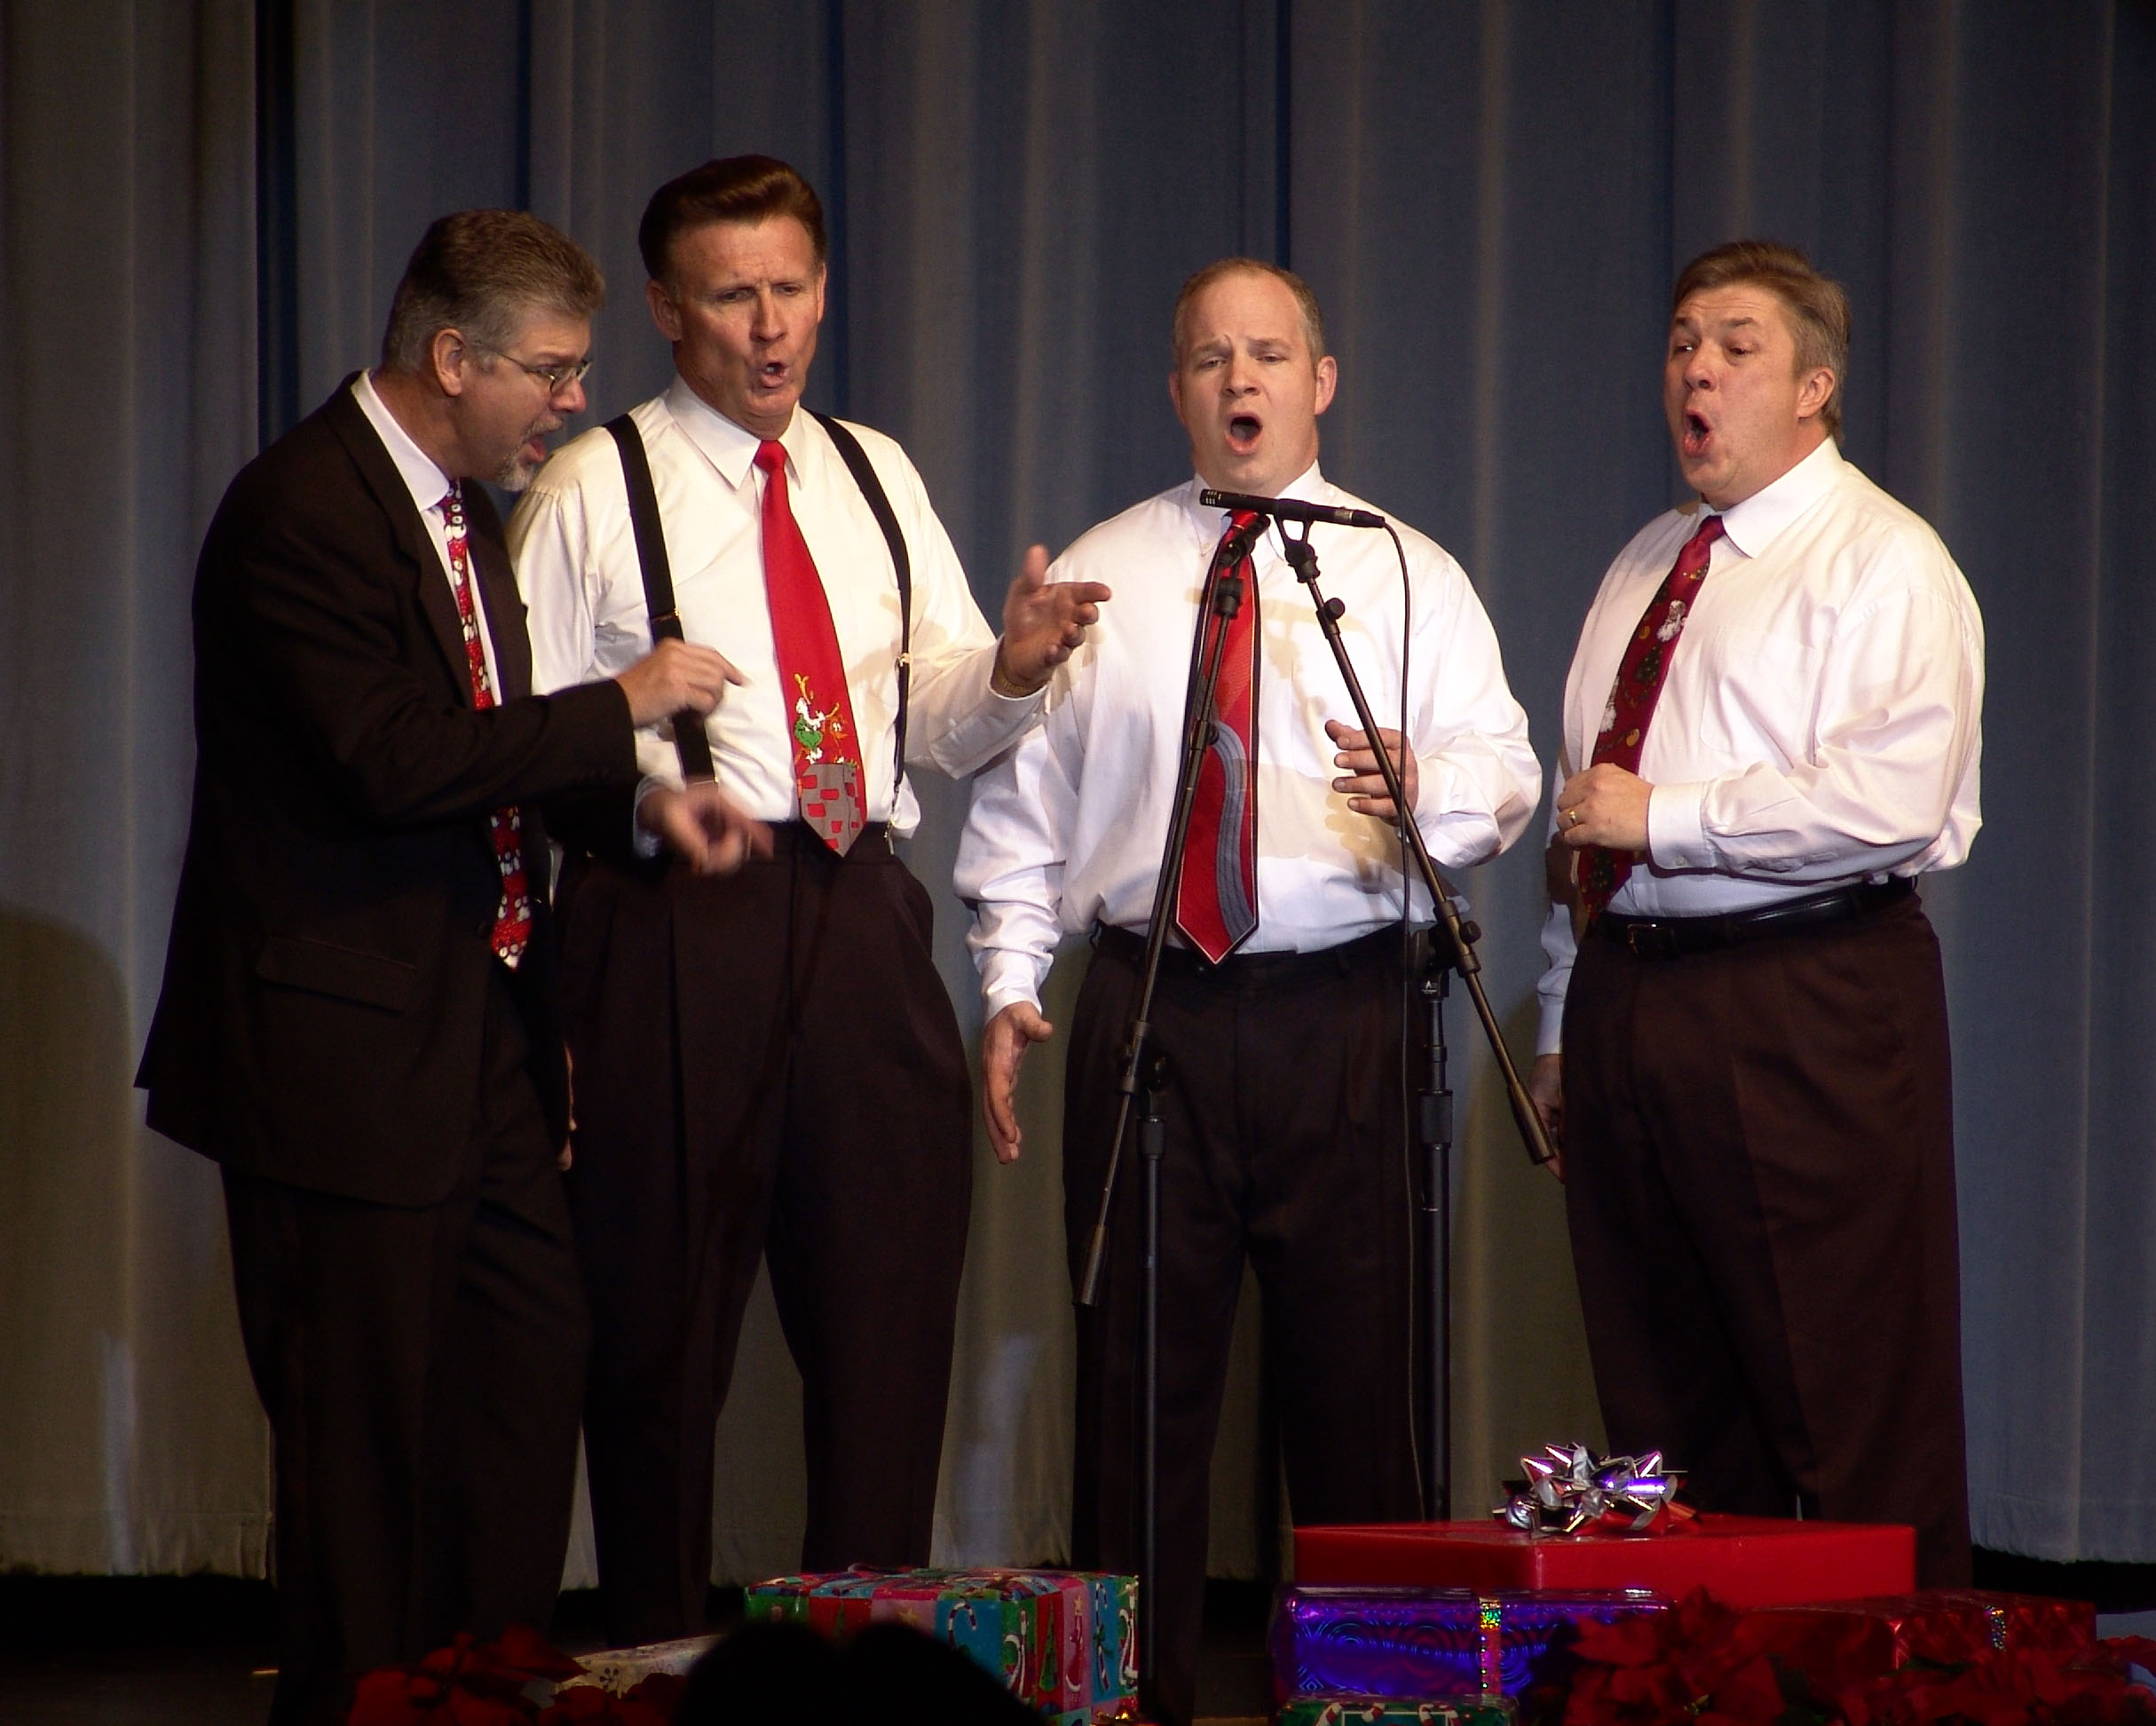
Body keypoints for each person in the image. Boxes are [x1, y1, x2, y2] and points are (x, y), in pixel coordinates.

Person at [137, 210, 738, 1724]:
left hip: (478, 1036)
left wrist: (639, 807)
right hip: (337, 1058)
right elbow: (393, 761)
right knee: (365, 1450)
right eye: (552, 371)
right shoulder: (303, 509)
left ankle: (476, 1694)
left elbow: (490, 752)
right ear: (453, 356)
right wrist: (621, 704)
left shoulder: (460, 512)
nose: (572, 403)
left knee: (524, 1375)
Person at [509, 154, 1106, 1646]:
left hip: (860, 912)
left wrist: (1012, 667)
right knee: (658, 1335)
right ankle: (654, 1661)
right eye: (733, 297)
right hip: (673, 914)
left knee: (887, 1321)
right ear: (667, 310)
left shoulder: (872, 472)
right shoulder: (596, 486)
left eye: (791, 289)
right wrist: (636, 808)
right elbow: (522, 736)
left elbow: (938, 715)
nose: (770, 327)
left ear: (825, 291)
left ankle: (864, 1668)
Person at [957, 257, 1542, 1725]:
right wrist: (1012, 981)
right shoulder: (1106, 574)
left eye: (1269, 355)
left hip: (1349, 1014)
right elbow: (1024, 818)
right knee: (1135, 1403)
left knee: (1361, 1404)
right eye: (1212, 358)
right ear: (1177, 390)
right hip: (1151, 1014)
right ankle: (1132, 1707)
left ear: (1319, 382)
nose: (1242, 381)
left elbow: (1506, 771)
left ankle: (1373, 1705)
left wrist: (1429, 787)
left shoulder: (1404, 572)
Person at [1533, 240, 1984, 1587]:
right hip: (1632, 1001)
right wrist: (1560, 1017)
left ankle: (1891, 1671)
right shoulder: (1648, 561)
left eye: (1737, 347)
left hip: (1806, 996)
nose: (1699, 371)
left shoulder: (1884, 559)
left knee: (1848, 1397)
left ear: (1813, 387)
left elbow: (1892, 799)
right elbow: (1585, 807)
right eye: (1683, 344)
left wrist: (1668, 817)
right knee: (1662, 1411)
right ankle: (1699, 1671)